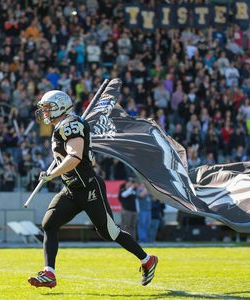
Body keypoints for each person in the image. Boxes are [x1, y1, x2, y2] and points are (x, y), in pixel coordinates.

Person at [28, 91, 157, 288]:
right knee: (49, 224)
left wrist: (53, 175)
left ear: (60, 107)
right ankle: (49, 273)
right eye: (44, 108)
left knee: (109, 233)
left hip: (89, 188)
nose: (44, 112)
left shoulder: (72, 125)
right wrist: (53, 168)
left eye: (48, 108)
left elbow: (75, 157)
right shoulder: (61, 126)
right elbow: (63, 157)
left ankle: (147, 259)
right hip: (71, 189)